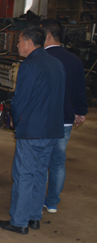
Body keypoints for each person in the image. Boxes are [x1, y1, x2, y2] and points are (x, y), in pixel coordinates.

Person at [0, 26, 65, 234]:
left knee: (24, 175)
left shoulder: (29, 65)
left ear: (28, 43)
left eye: (19, 41)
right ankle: (34, 216)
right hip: (52, 129)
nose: (17, 45)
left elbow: (20, 100)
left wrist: (16, 122)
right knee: (40, 173)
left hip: (33, 130)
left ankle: (19, 222)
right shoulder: (56, 63)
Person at [40, 19, 88, 213]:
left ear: (48, 35)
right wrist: (80, 111)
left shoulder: (41, 59)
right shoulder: (74, 60)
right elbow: (80, 88)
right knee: (58, 162)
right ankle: (52, 202)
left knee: (41, 162)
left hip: (44, 119)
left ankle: (36, 201)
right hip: (65, 119)